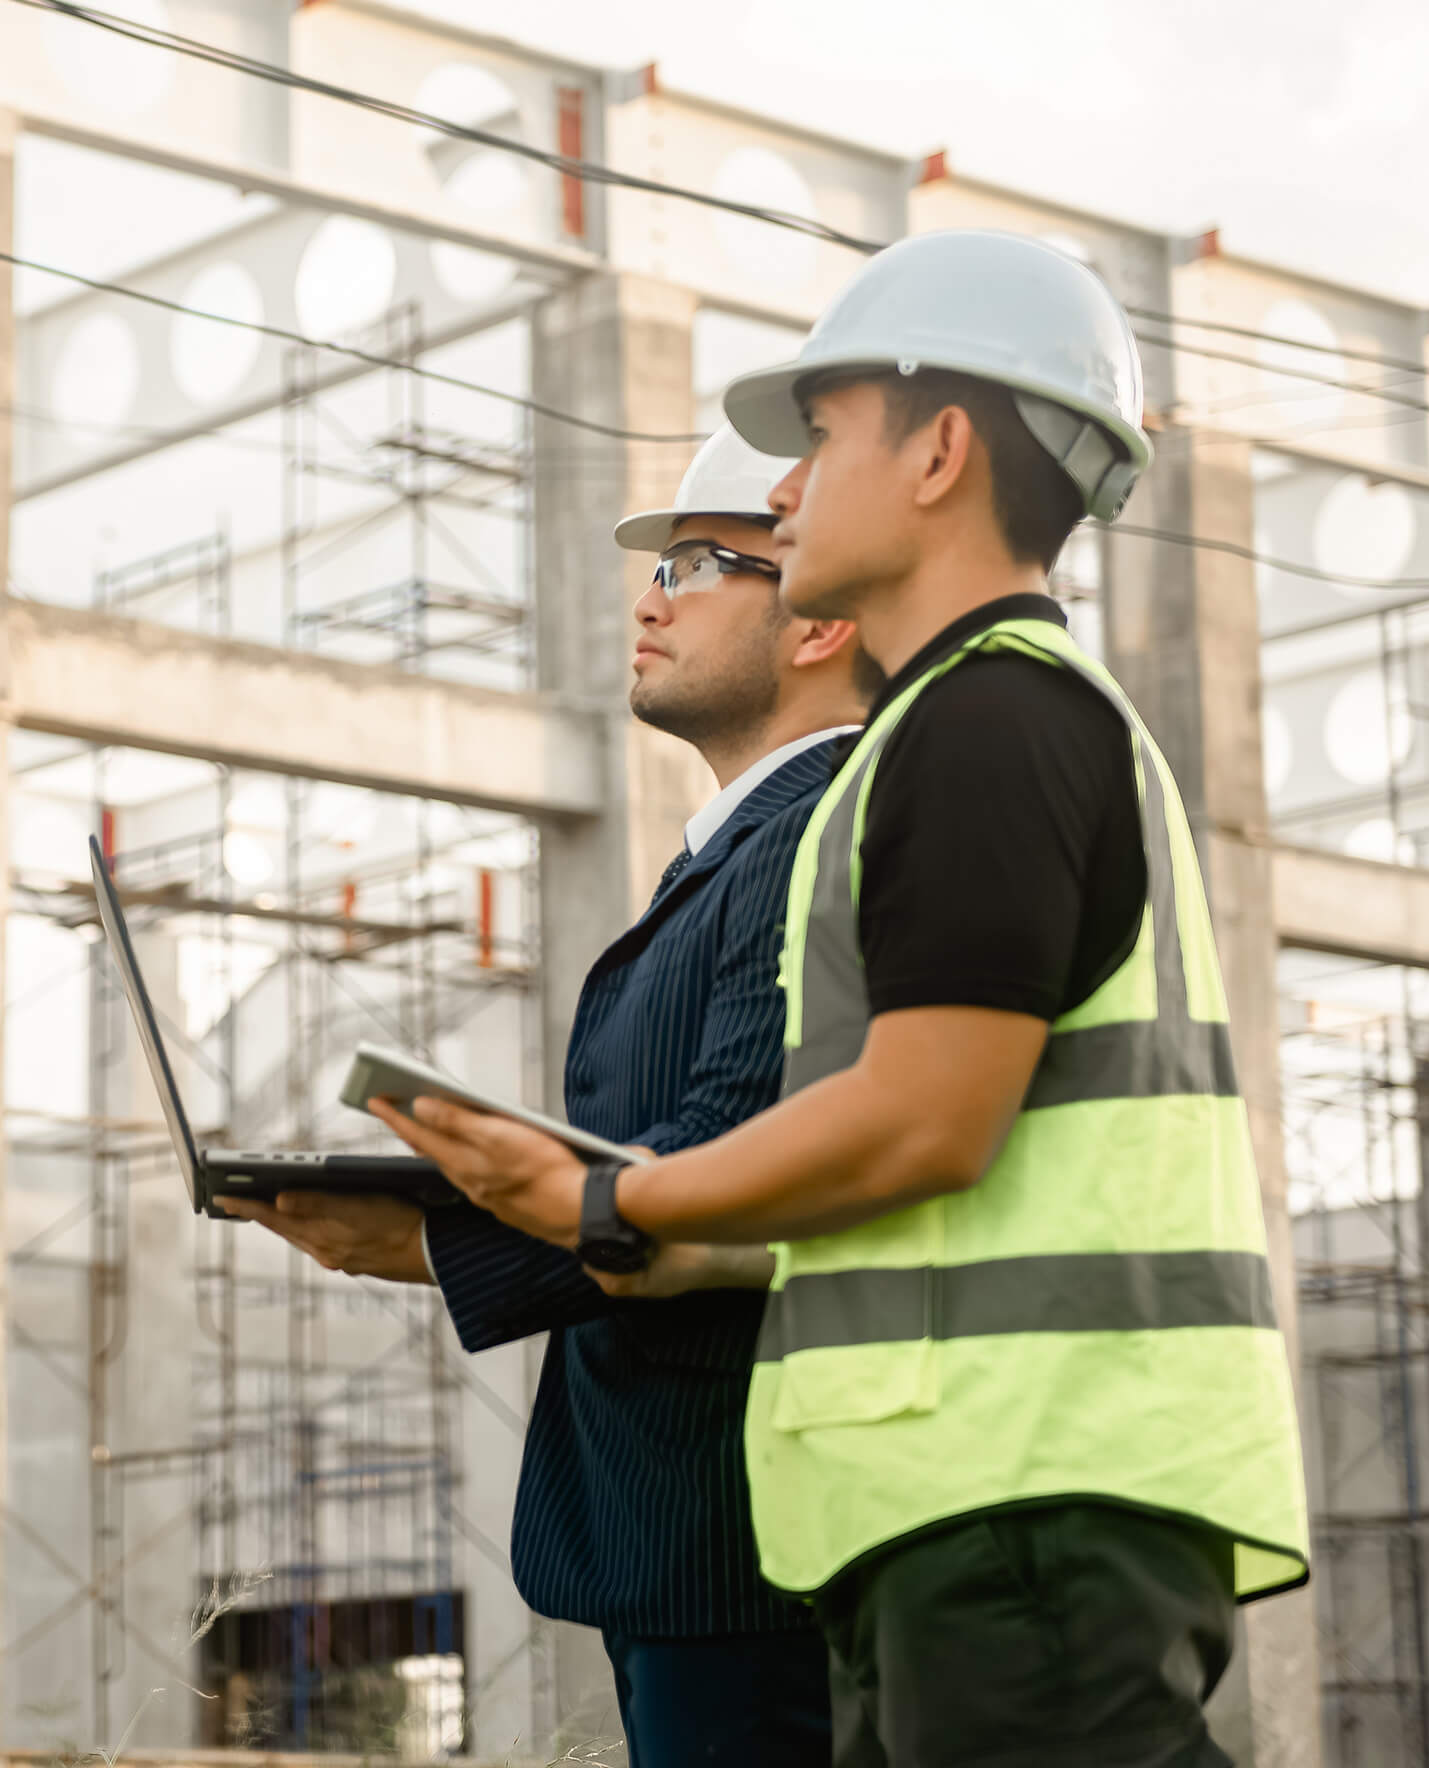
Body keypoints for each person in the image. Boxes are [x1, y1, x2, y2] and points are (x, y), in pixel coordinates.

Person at [372, 232, 1312, 1768]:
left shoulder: (992, 722)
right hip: (979, 1503)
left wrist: (619, 1203)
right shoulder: (968, 728)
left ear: (942, 451)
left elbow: (924, 1120)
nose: (789, 487)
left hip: (1029, 1499)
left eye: (818, 438)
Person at [220, 422, 880, 1768]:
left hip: (745, 1543)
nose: (651, 594)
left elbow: (728, 1158)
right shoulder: (737, 845)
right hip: (679, 1532)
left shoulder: (816, 832)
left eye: (699, 563)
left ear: (817, 626)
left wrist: (431, 1237)